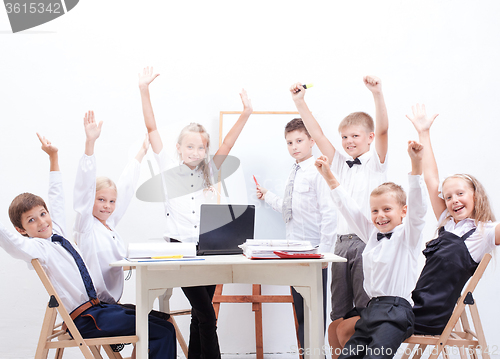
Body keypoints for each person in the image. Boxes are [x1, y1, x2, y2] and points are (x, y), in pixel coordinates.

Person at [0, 133, 176, 358]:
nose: (42, 222)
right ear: (22, 230)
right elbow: (8, 241)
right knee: (161, 332)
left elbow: (56, 195)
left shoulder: (58, 233)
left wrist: (54, 157)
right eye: (31, 220)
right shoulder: (37, 248)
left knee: (163, 323)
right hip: (87, 319)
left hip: (100, 309)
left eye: (43, 214)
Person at [138, 66, 253, 359]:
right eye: (190, 146)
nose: (195, 151)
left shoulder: (209, 172)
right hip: (181, 251)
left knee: (198, 316)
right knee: (207, 314)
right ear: (179, 148)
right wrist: (144, 90)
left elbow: (228, 143)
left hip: (208, 249)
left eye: (200, 147)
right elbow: (152, 129)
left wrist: (246, 113)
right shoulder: (167, 169)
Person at [290, 76, 389, 355]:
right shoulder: (339, 163)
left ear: (368, 138)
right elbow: (318, 134)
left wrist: (377, 94)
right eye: (344, 137)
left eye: (354, 136)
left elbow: (383, 131)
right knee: (338, 315)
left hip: (365, 242)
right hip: (340, 244)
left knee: (362, 312)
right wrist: (300, 102)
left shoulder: (376, 164)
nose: (348, 142)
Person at [315, 139, 427, 359]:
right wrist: (328, 175)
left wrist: (416, 165)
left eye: (387, 209)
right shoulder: (372, 236)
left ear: (403, 211)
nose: (380, 215)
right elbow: (349, 209)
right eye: (375, 210)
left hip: (396, 312)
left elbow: (419, 210)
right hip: (370, 310)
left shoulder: (408, 236)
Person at [407, 103, 500, 335]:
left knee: (367, 324)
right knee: (351, 323)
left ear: (475, 196)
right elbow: (431, 179)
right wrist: (424, 133)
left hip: (434, 314)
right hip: (417, 304)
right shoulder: (447, 223)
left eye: (460, 194)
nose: (453, 200)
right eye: (448, 197)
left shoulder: (485, 231)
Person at [255, 117, 337, 348]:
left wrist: (325, 254)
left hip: (313, 253)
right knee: (300, 311)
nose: (294, 147)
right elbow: (291, 208)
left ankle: (315, 353)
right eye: (289, 143)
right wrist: (268, 195)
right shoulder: (295, 172)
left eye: (299, 140)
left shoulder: (318, 170)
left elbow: (329, 214)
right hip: (294, 251)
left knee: (314, 313)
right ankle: (304, 353)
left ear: (311, 141)